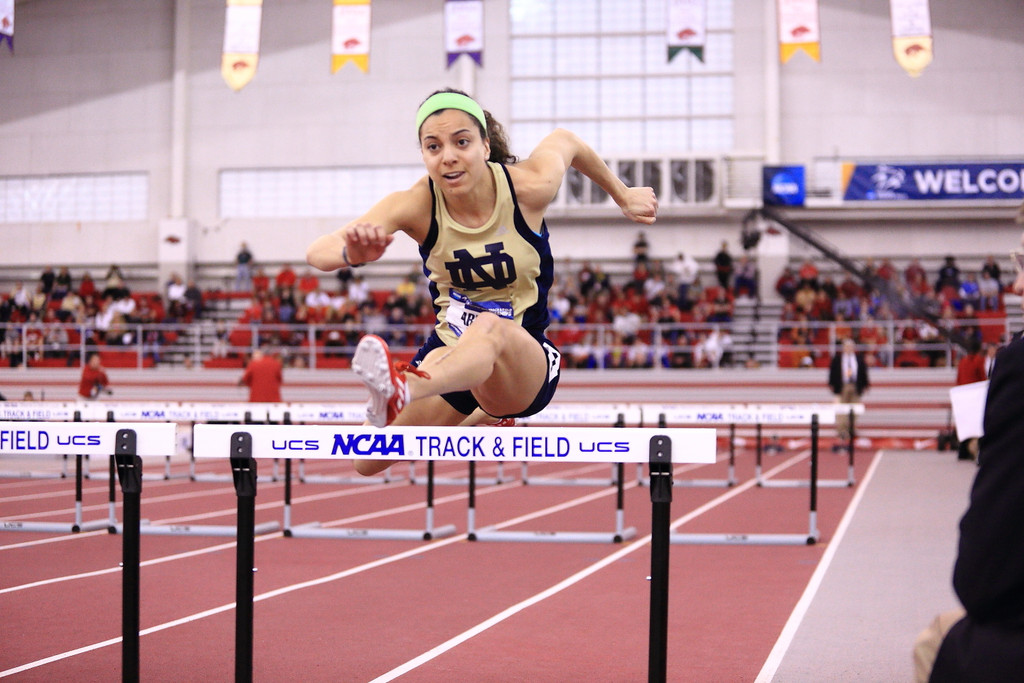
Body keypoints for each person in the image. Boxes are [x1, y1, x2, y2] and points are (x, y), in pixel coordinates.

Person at [306, 88, 657, 475]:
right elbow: (318, 251)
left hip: (521, 365)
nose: (449, 156)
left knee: (491, 326)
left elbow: (566, 140)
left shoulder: (528, 187)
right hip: (452, 357)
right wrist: (349, 256)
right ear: (424, 156)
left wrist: (623, 195)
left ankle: (408, 386)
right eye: (433, 147)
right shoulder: (416, 204)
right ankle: (471, 409)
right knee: (366, 460)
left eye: (462, 142)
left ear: (486, 146)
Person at [914, 233, 1024, 681]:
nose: (1016, 286)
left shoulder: (1015, 363)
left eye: (1022, 268)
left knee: (936, 643)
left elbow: (982, 579)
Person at [827, 337, 868, 451]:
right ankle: (841, 431)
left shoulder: (859, 358)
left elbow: (863, 372)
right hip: (842, 387)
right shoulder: (838, 359)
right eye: (847, 347)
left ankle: (852, 430)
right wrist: (832, 385)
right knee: (841, 410)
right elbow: (832, 372)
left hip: (855, 386)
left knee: (854, 410)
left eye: (851, 347)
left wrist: (865, 385)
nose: (849, 349)